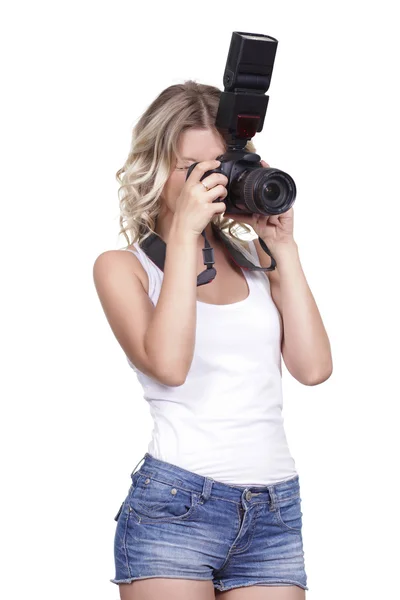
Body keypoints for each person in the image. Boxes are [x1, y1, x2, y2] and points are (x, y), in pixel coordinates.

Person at [93, 80, 333, 600]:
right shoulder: (123, 269)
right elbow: (169, 364)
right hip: (176, 506)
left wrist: (284, 251)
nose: (211, 181)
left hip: (274, 509)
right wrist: (182, 233)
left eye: (220, 166)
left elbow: (313, 369)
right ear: (154, 168)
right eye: (191, 167)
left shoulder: (254, 264)